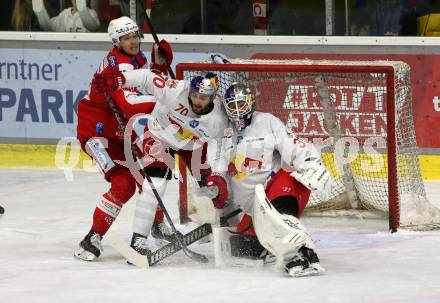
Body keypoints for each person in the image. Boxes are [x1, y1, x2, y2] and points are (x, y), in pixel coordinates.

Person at [92, 67, 231, 256]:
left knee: (215, 187)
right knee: (156, 183)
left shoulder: (219, 118)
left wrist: (218, 174)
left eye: (203, 98)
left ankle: (231, 231)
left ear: (212, 97)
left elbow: (220, 150)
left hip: (192, 145)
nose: (197, 101)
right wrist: (120, 80)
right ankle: (138, 240)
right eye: (195, 95)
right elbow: (147, 77)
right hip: (158, 135)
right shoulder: (176, 89)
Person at [203, 83, 333, 277]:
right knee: (244, 251)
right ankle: (279, 244)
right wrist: (217, 182)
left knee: (290, 176)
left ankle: (300, 251)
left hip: (274, 190)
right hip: (249, 208)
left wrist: (310, 162)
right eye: (232, 105)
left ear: (251, 103)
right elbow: (217, 165)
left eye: (241, 104)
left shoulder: (267, 122)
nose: (238, 111)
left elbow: (293, 145)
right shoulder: (221, 132)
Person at [74, 16, 174, 262]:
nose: (133, 41)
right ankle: (92, 237)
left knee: (149, 173)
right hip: (97, 132)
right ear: (116, 41)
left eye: (135, 35)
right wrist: (170, 101)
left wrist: (159, 68)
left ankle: (155, 223)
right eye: (126, 38)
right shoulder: (120, 66)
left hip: (121, 129)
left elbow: (145, 88)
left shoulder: (136, 59)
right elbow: (130, 105)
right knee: (124, 184)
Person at [32, 0, 100, 32]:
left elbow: (93, 27)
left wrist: (81, 7)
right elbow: (48, 27)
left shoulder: (92, 13)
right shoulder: (64, 14)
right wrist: (39, 10)